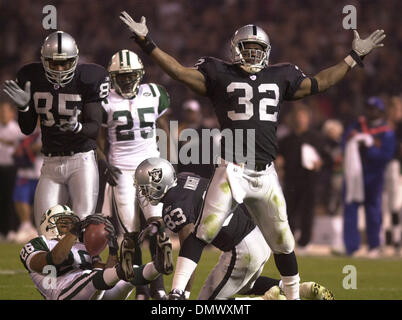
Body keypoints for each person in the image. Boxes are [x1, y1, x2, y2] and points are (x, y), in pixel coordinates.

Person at [120, 11, 385, 299]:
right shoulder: (220, 73)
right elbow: (180, 72)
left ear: (267, 52)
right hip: (232, 170)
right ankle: (178, 294)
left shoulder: (281, 75)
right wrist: (147, 42)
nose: (254, 53)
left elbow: (319, 82)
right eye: (248, 48)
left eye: (258, 49)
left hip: (266, 172)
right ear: (236, 49)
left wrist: (353, 58)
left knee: (284, 242)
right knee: (203, 232)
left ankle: (293, 297)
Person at [135, 157, 334, 300]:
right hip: (255, 237)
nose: (143, 193)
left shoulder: (173, 207)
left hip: (242, 248)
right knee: (245, 285)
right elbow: (194, 203)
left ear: (158, 183)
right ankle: (296, 290)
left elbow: (189, 247)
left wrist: (181, 293)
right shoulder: (186, 179)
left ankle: (270, 301)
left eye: (145, 187)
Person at [3, 31, 110, 228]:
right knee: (45, 227)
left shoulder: (88, 78)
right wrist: (24, 107)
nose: (60, 68)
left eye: (66, 63)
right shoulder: (31, 77)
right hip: (50, 162)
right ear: (43, 60)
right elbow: (27, 129)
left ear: (75, 60)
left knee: (82, 224)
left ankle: (84, 259)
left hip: (81, 160)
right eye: (54, 63)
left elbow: (94, 128)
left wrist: (77, 127)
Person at [97, 49, 171, 299]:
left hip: (150, 167)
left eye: (130, 75)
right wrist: (104, 163)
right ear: (113, 77)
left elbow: (164, 128)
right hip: (121, 169)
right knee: (131, 235)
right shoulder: (105, 100)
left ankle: (158, 286)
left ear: (139, 74)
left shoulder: (154, 94)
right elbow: (98, 139)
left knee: (156, 227)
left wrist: (169, 161)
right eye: (121, 76)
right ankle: (141, 288)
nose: (127, 80)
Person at [19, 204, 172, 300]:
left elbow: (106, 272)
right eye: (64, 223)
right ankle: (125, 270)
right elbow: (54, 259)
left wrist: (112, 248)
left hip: (94, 289)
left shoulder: (81, 245)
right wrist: (75, 230)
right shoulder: (39, 243)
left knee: (125, 277)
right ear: (49, 225)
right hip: (61, 292)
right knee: (94, 276)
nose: (70, 226)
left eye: (73, 223)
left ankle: (158, 266)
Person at [342, 97, 396, 257]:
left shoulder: (387, 132)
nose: (370, 112)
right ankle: (351, 247)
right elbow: (344, 142)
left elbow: (385, 156)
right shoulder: (357, 125)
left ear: (380, 111)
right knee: (350, 209)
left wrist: (369, 147)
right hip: (354, 175)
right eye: (368, 108)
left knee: (373, 211)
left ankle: (374, 246)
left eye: (374, 109)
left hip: (373, 176)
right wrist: (354, 142)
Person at [277, 105, 329, 253]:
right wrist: (279, 164)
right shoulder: (286, 140)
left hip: (310, 180)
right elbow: (278, 156)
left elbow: (327, 158)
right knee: (289, 211)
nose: (300, 120)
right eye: (298, 117)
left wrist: (321, 162)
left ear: (308, 119)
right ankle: (290, 240)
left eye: (303, 117)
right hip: (291, 180)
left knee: (307, 211)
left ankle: (305, 241)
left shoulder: (316, 138)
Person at [12, 122, 42, 244]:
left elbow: (44, 146)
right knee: (20, 199)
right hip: (24, 171)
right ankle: (26, 226)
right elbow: (16, 145)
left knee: (39, 201)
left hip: (39, 171)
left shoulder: (46, 130)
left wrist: (28, 147)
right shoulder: (22, 129)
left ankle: (38, 229)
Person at [0, 101, 23, 240]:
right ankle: (2, 230)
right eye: (1, 111)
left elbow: (20, 145)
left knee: (10, 199)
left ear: (12, 113)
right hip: (0, 167)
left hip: (11, 168)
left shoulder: (16, 128)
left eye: (5, 111)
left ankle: (11, 229)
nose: (3, 114)